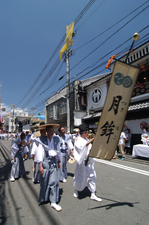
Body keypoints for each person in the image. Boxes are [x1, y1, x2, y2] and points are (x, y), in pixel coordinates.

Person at [35, 124, 62, 212]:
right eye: (50, 131)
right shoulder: (42, 140)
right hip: (46, 162)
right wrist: (40, 166)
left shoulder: (56, 139)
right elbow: (40, 153)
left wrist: (59, 161)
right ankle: (44, 197)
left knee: (53, 182)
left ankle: (53, 202)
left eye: (53, 131)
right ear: (46, 132)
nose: (52, 132)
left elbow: (58, 151)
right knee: (44, 181)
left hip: (53, 162)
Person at [73, 123, 102, 202]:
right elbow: (83, 146)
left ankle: (93, 193)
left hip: (89, 162)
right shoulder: (78, 139)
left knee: (92, 177)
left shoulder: (86, 139)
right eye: (87, 133)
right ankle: (76, 190)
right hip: (82, 162)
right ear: (84, 132)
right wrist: (92, 140)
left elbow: (89, 146)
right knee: (81, 178)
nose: (88, 134)